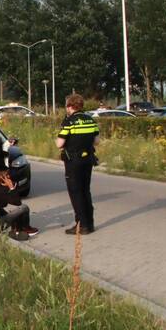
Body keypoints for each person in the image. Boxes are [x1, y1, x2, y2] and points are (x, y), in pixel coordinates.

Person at [56, 93, 100, 235]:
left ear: (70, 106)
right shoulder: (90, 120)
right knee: (85, 191)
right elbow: (97, 141)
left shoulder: (69, 122)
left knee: (76, 193)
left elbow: (59, 144)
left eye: (66, 106)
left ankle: (81, 225)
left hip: (73, 161)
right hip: (88, 160)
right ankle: (90, 223)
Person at [0, 169, 38, 240]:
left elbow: (3, 204)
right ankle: (25, 230)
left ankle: (16, 229)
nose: (9, 177)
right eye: (6, 176)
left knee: (12, 214)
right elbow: (17, 202)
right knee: (24, 208)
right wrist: (11, 187)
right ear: (0, 178)